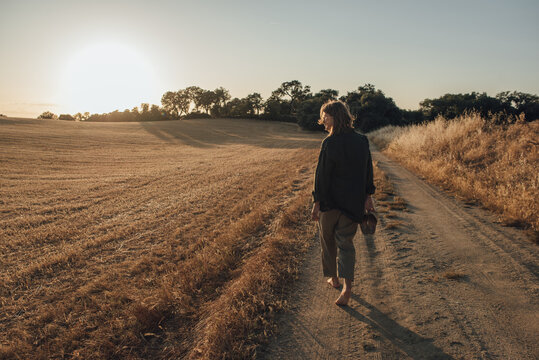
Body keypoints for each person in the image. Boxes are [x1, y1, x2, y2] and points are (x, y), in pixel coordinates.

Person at [311, 100, 376, 306]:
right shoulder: (362, 141)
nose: (323, 121)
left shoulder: (329, 143)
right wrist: (368, 195)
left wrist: (316, 201)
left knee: (327, 242)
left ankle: (334, 278)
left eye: (325, 116)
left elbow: (321, 176)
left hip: (330, 203)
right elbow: (368, 171)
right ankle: (347, 288)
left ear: (334, 117)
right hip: (352, 203)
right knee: (346, 245)